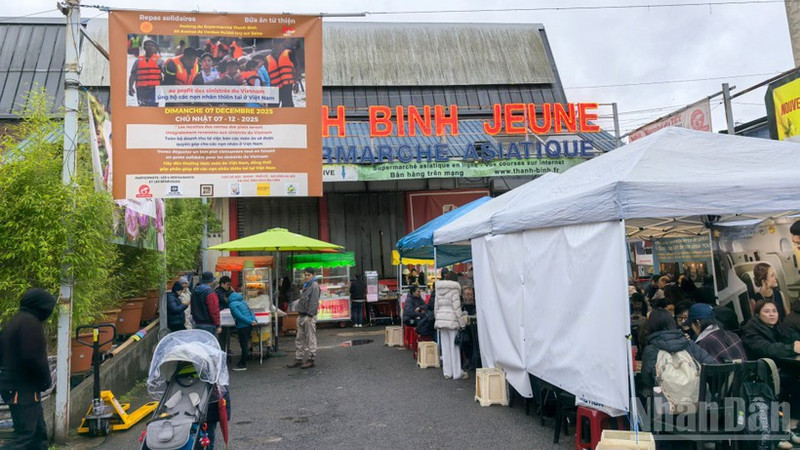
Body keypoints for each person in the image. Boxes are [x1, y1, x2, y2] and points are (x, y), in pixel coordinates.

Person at [0, 288, 56, 449]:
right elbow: (33, 357)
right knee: (25, 436)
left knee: (38, 434)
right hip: (23, 387)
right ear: (42, 307)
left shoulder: (17, 320)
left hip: (17, 385)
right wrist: (45, 380)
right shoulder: (30, 324)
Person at [640, 308, 716, 391]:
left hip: (665, 400)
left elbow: (647, 380)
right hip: (695, 398)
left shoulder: (651, 350)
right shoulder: (688, 343)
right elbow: (712, 366)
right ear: (672, 322)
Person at [435, 272, 467, 380]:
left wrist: (438, 319)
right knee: (454, 347)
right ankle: (457, 373)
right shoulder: (455, 291)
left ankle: (447, 372)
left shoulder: (438, 291)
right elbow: (457, 309)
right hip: (452, 320)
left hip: (441, 320)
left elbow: (436, 307)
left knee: (445, 347)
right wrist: (462, 323)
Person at [287, 268, 320, 369]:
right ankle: (299, 358)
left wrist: (310, 316)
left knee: (310, 338)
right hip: (301, 315)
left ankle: (311, 359)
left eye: (308, 275)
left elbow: (314, 302)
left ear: (314, 275)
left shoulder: (314, 286)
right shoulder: (307, 285)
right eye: (305, 275)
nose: (306, 277)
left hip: (308, 316)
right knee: (299, 338)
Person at [128, 39, 163, 106]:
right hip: (141, 89)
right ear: (144, 48)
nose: (149, 47)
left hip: (155, 89)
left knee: (153, 108)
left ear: (155, 48)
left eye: (152, 46)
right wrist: (130, 87)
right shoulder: (138, 61)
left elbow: (167, 75)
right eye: (147, 45)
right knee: (142, 108)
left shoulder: (160, 61)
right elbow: (133, 75)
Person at [228, 292, 256, 371]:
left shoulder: (232, 304)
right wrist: (253, 320)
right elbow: (251, 311)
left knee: (243, 344)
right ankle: (245, 359)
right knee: (246, 342)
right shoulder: (243, 302)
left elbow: (239, 316)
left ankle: (243, 363)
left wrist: (249, 322)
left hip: (242, 326)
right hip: (249, 325)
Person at [265, 41, 297, 107]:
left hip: (287, 84)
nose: (278, 46)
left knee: (287, 105)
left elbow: (296, 68)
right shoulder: (267, 58)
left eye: (279, 43)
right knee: (273, 106)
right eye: (276, 44)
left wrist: (296, 82)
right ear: (272, 45)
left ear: (283, 44)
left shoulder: (289, 53)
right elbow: (266, 75)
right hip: (274, 87)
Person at [191, 271, 221, 336]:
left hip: (197, 323)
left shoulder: (195, 291)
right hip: (208, 324)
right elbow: (214, 310)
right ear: (212, 281)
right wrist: (218, 324)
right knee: (210, 345)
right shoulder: (210, 293)